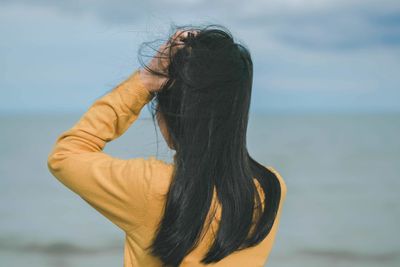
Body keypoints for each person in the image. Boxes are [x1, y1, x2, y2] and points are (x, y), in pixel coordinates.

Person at [47, 23, 287, 267]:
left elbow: (65, 155)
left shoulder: (153, 188)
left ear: (171, 116)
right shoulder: (270, 187)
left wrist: (144, 81)